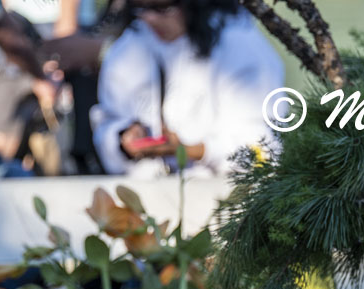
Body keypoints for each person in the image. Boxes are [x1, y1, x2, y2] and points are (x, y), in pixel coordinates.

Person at [91, 0, 284, 176]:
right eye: (140, 8)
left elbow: (263, 150)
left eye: (163, 8)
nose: (149, 18)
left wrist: (191, 151)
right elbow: (107, 124)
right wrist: (124, 139)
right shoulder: (130, 45)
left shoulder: (241, 46)